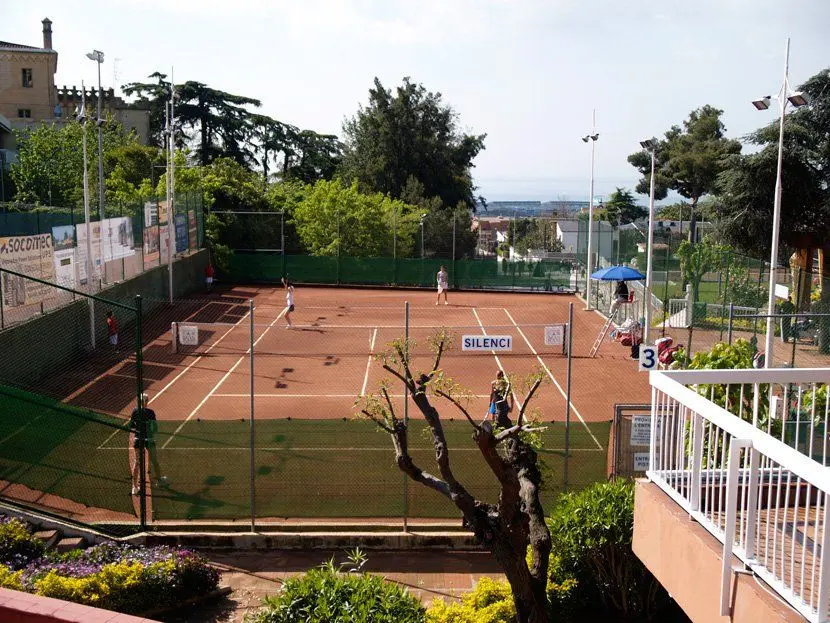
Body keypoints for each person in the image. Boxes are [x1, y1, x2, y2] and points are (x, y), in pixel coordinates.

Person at [129, 393, 166, 495]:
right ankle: (159, 481)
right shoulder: (150, 412)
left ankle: (134, 487)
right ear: (146, 402)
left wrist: (138, 426)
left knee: (137, 462)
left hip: (138, 439)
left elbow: (131, 425)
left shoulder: (135, 411)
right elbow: (155, 428)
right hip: (149, 439)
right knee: (155, 460)